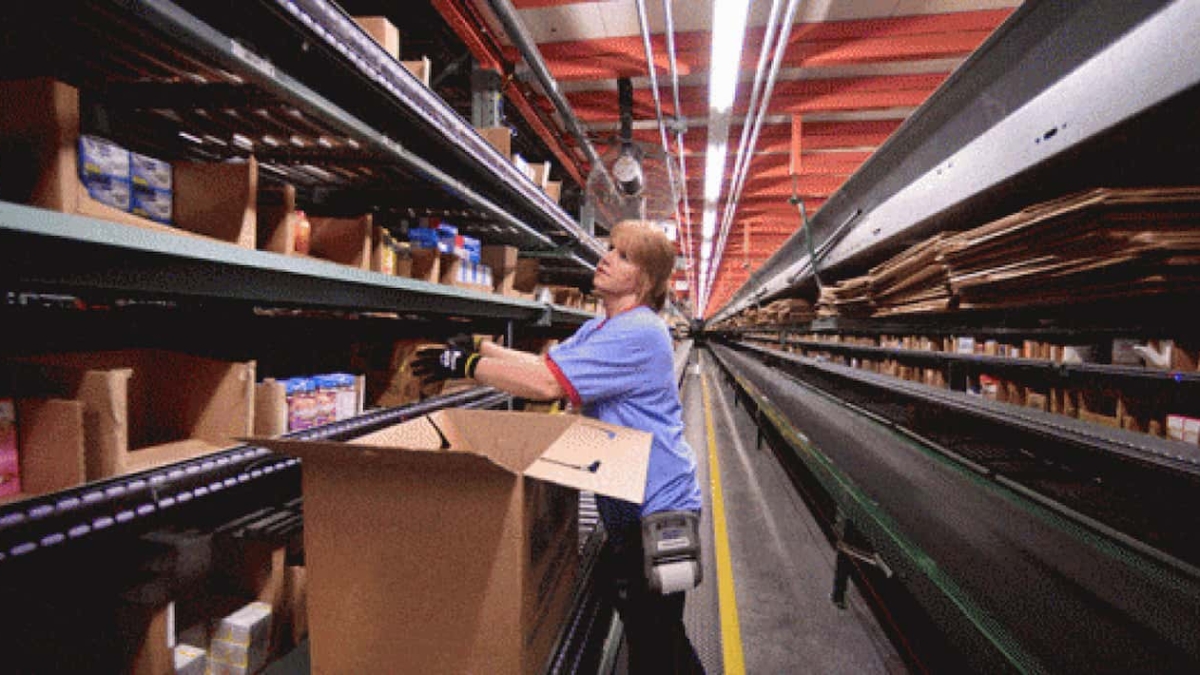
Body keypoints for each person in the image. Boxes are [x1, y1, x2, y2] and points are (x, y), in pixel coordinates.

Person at [414, 219, 705, 673]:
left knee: (657, 641)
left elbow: (547, 383)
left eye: (623, 256)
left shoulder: (641, 332)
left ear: (644, 281)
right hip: (630, 502)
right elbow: (545, 362)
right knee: (650, 630)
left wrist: (468, 365)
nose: (606, 258)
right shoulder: (602, 327)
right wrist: (481, 347)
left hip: (658, 508)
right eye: (610, 248)